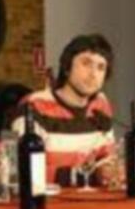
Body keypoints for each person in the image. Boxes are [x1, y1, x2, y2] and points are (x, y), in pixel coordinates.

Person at [12, 34, 115, 185]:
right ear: (67, 67)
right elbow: (22, 170)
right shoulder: (34, 106)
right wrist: (84, 176)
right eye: (86, 63)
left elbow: (107, 159)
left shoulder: (101, 105)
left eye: (101, 68)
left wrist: (109, 171)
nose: (93, 74)